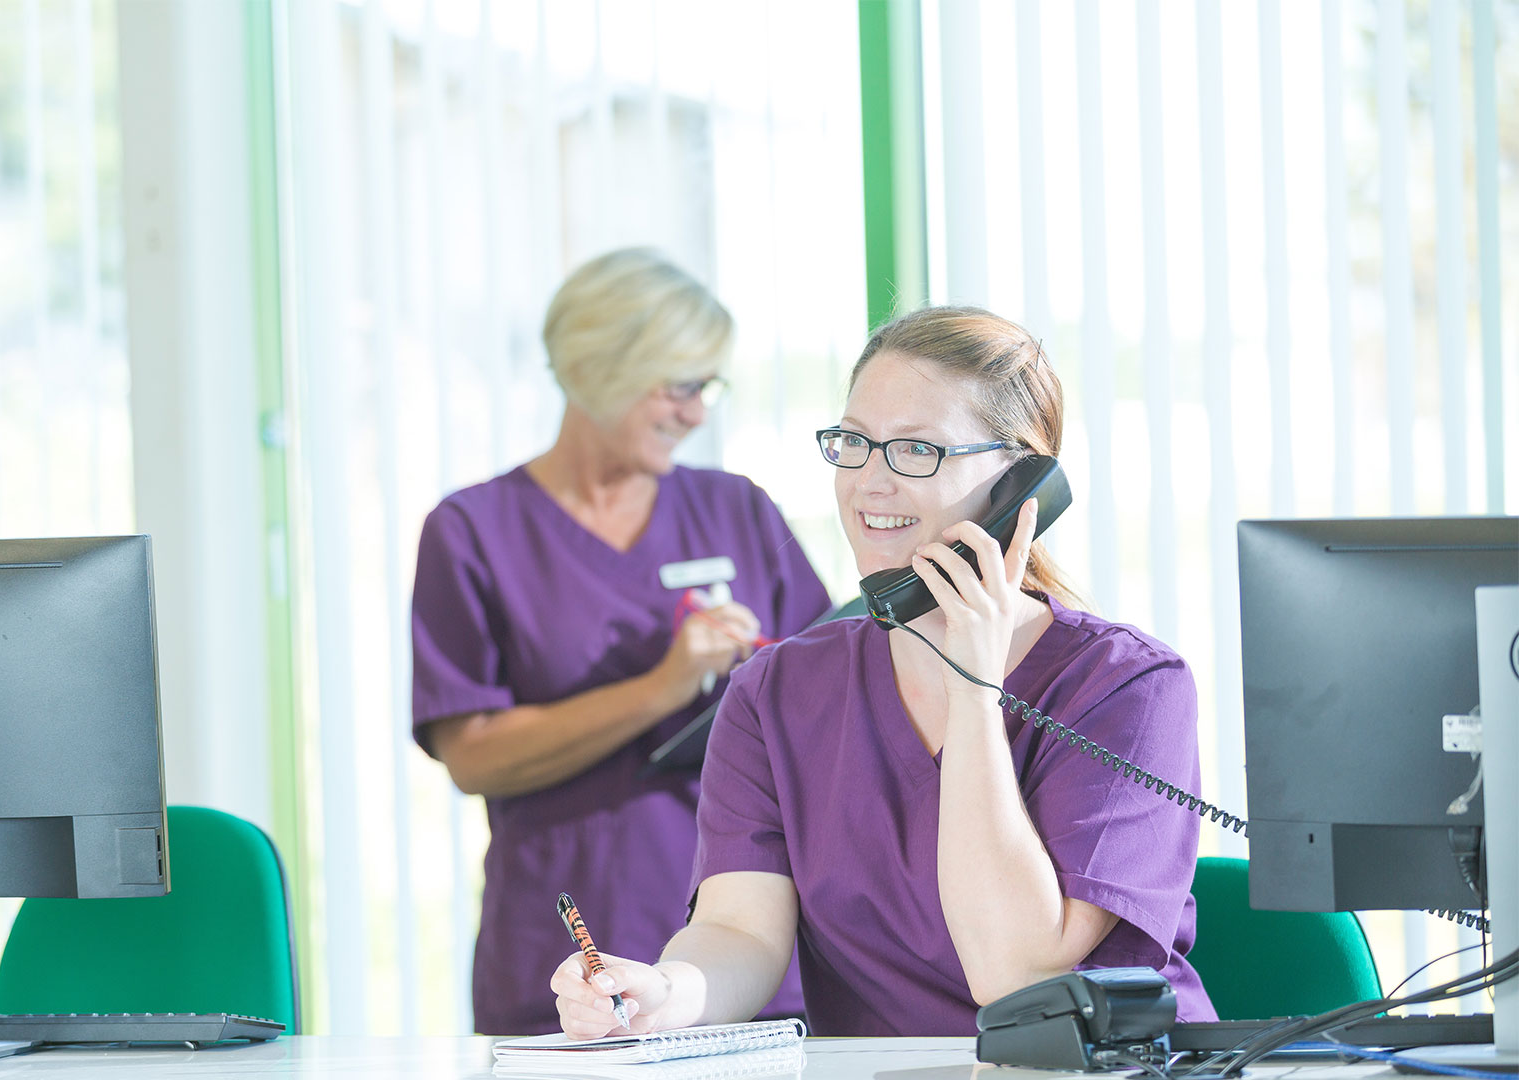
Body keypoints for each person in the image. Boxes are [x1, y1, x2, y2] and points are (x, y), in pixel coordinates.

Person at [549, 305, 1218, 1036]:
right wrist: (660, 993)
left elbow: (1014, 975)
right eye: (854, 442)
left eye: (916, 451)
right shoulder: (776, 693)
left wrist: (973, 690)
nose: (870, 481)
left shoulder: (1128, 687)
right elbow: (740, 932)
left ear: (1021, 486)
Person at [411, 249, 832, 1035]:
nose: (697, 412)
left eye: (708, 387)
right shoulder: (474, 532)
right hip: (570, 956)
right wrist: (663, 687)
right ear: (601, 369)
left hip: (744, 960)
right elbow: (472, 754)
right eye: (679, 386)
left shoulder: (738, 509)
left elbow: (830, 697)